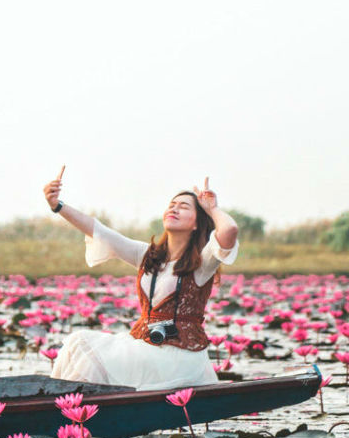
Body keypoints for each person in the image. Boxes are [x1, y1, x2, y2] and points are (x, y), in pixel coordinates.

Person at [42, 167, 239, 391]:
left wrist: (212, 209)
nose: (174, 209)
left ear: (196, 224)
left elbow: (229, 230)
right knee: (77, 343)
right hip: (145, 348)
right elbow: (99, 230)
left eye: (183, 207)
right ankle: (67, 406)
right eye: (171, 205)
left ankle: (75, 407)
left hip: (180, 358)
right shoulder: (148, 256)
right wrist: (57, 206)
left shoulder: (202, 263)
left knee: (83, 344)